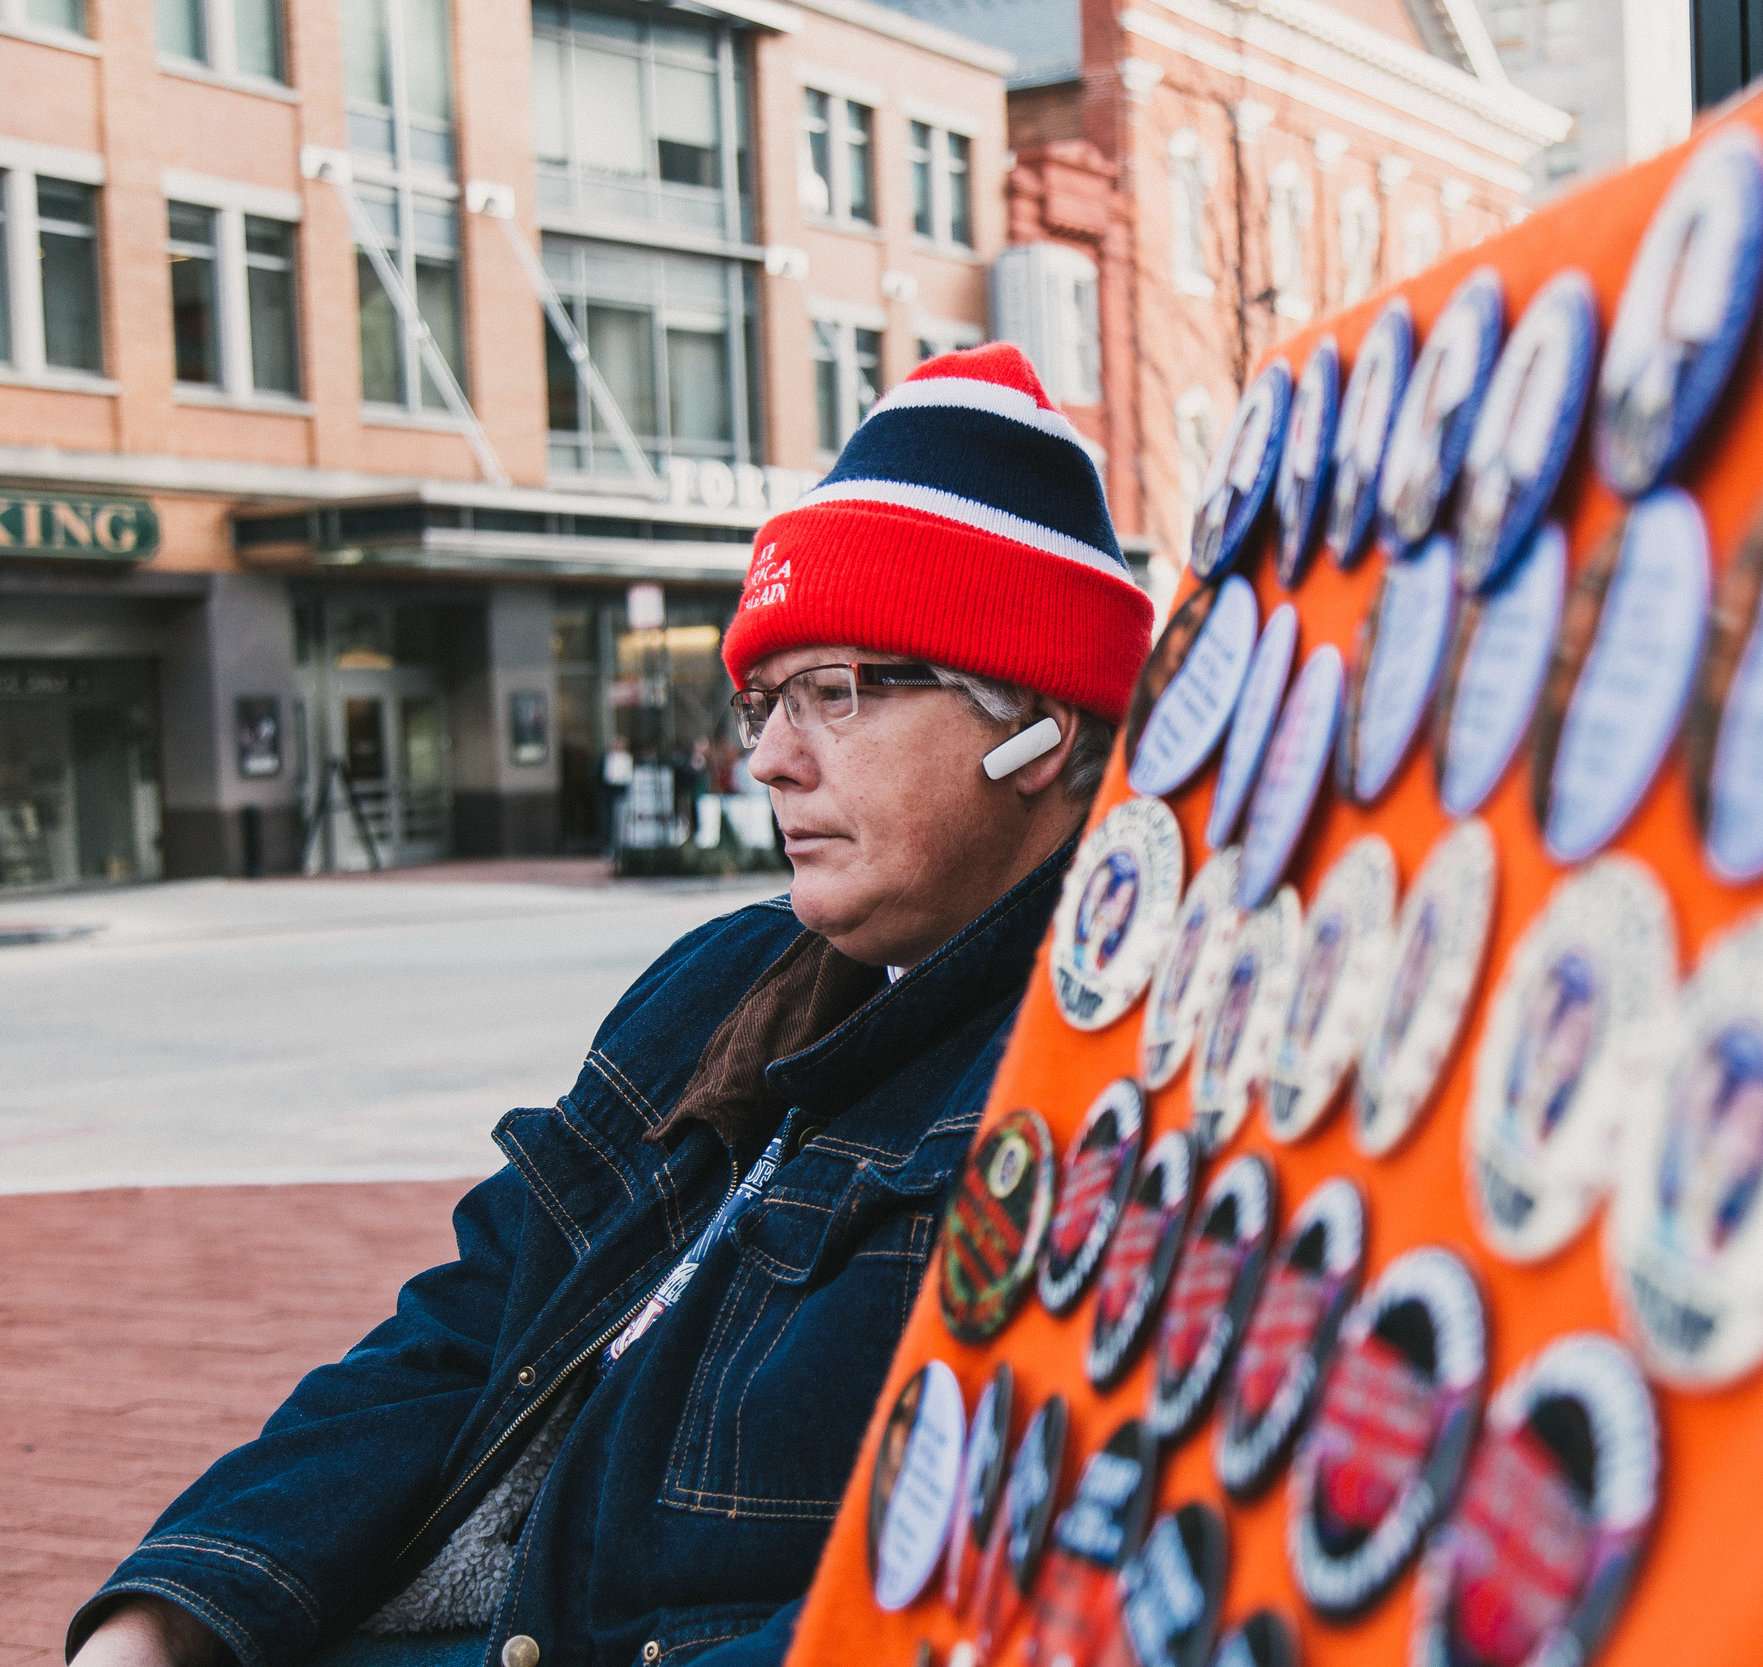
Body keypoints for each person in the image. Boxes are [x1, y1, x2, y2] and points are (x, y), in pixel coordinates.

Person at [66, 345, 1152, 1667]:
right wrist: (173, 1610)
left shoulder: (1093, 1078)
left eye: (837, 693)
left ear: (1036, 722)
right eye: (762, 698)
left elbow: (972, 1613)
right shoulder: (721, 985)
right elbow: (470, 1322)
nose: (767, 758)